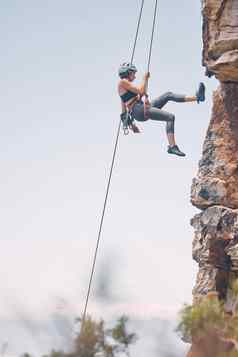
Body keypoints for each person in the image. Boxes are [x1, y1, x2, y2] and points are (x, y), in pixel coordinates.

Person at [118, 62, 205, 157]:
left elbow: (126, 110)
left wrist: (131, 125)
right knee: (170, 117)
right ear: (128, 73)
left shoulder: (126, 87)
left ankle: (197, 97)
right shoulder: (123, 82)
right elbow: (141, 91)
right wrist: (144, 78)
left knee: (168, 95)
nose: (134, 76)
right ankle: (172, 147)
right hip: (139, 110)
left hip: (141, 108)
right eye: (133, 73)